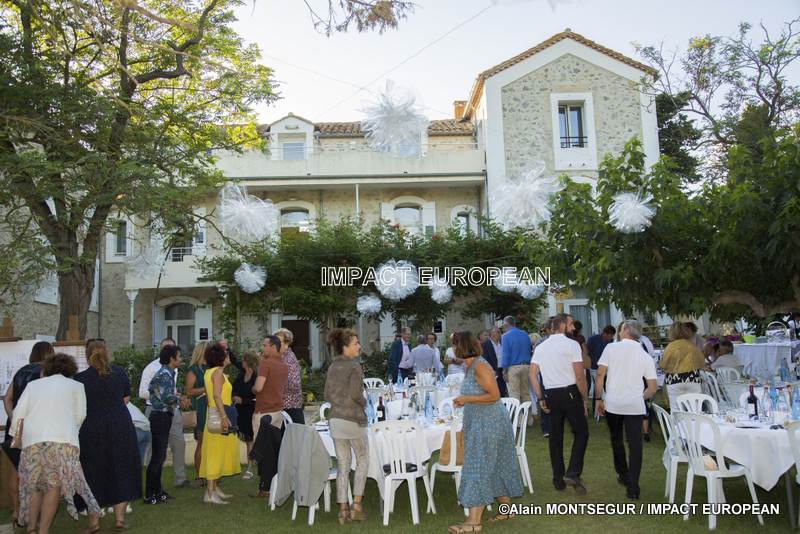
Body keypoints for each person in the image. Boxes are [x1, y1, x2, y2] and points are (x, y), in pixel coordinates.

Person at [12, 353, 102, 534]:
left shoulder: (33, 385)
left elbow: (19, 413)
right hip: (62, 441)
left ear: (47, 369)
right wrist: (72, 432)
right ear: (70, 370)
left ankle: (31, 528)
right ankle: (43, 530)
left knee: (34, 485)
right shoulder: (76, 386)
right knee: (53, 486)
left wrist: (16, 437)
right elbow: (80, 416)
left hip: (33, 440)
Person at [450, 330, 522, 532]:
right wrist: (466, 421)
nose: (452, 349)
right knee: (498, 465)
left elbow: (494, 395)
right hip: (481, 421)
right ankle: (506, 510)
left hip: (490, 423)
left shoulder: (480, 366)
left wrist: (467, 399)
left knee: (477, 467)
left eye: (454, 345)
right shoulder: (469, 365)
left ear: (461, 346)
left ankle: (473, 522)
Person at [74, 339, 141, 531]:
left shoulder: (80, 379)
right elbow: (126, 398)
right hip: (119, 425)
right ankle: (119, 519)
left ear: (87, 355)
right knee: (121, 468)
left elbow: (78, 407)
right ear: (107, 352)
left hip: (92, 428)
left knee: (93, 472)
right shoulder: (119, 372)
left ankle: (94, 523)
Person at [594, 319, 657, 500]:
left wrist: (598, 398)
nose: (619, 332)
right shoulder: (645, 355)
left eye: (621, 330)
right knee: (636, 446)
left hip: (613, 403)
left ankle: (623, 473)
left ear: (627, 331)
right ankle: (633, 487)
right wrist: (639, 397)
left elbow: (600, 374)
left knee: (616, 439)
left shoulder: (612, 348)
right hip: (635, 405)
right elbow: (652, 388)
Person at [530, 313, 590, 494]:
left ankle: (558, 480)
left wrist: (541, 398)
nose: (574, 327)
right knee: (581, 432)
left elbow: (533, 374)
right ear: (562, 326)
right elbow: (580, 376)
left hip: (551, 394)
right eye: (571, 324)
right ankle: (573, 472)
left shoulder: (541, 346)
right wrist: (586, 399)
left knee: (555, 437)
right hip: (570, 392)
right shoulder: (572, 344)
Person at [2, 341, 51, 526]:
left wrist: (13, 417)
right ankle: (33, 517)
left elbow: (7, 398)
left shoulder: (21, 371)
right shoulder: (46, 373)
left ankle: (16, 511)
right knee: (35, 473)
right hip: (35, 427)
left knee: (16, 469)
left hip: (15, 427)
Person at [324, 328, 369, 524]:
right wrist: (364, 402)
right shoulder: (354, 366)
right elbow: (355, 395)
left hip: (335, 420)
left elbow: (326, 395)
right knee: (363, 460)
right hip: (352, 419)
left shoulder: (332, 367)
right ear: (345, 347)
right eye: (355, 343)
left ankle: (342, 511)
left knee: (343, 465)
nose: (359, 346)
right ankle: (356, 506)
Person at [138, 338, 194, 489]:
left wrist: (175, 397)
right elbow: (143, 392)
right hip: (157, 410)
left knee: (178, 443)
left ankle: (180, 479)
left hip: (170, 411)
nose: (180, 358)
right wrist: (172, 399)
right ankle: (153, 484)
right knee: (155, 448)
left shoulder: (171, 370)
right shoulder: (154, 369)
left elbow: (167, 392)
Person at [199, 343, 241, 504]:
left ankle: (215, 489)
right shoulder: (217, 373)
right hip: (220, 416)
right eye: (226, 354)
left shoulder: (210, 372)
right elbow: (216, 396)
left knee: (217, 451)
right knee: (215, 454)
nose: (229, 357)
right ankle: (210, 493)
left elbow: (211, 396)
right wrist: (223, 416)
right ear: (221, 358)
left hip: (214, 414)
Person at [659, 321, 705, 413]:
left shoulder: (671, 347)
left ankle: (677, 426)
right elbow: (701, 362)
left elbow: (663, 365)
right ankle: (695, 426)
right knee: (695, 409)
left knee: (676, 409)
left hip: (674, 379)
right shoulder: (692, 346)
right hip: (693, 378)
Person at [251, 335, 288, 439]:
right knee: (273, 447)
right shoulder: (284, 365)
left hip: (264, 411)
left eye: (264, 345)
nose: (261, 348)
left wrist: (252, 389)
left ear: (273, 347)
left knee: (260, 449)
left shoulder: (266, 364)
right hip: (278, 411)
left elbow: (258, 388)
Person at [186, 340, 210, 487]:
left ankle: (211, 474)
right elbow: (189, 391)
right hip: (201, 406)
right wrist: (207, 389)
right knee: (201, 442)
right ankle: (199, 475)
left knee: (212, 442)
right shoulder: (194, 369)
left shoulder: (212, 367)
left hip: (212, 406)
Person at [232, 349, 259, 480]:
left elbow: (257, 399)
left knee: (250, 441)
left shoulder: (256, 377)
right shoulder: (242, 374)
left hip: (251, 412)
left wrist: (243, 401)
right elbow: (234, 361)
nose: (241, 362)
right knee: (246, 440)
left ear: (248, 362)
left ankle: (249, 468)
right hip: (240, 412)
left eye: (243, 360)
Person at [502, 316, 533, 426]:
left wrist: (504, 371)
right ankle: (529, 419)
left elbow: (505, 355)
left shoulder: (506, 336)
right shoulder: (525, 334)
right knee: (526, 393)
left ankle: (519, 421)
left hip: (514, 367)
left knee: (514, 395)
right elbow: (529, 349)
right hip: (526, 365)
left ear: (505, 325)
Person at [275, 328, 305, 424]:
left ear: (287, 343)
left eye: (278, 341)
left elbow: (293, 383)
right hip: (281, 407)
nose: (275, 344)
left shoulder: (289, 359)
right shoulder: (278, 358)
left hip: (290, 407)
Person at [483, 326, 507, 397]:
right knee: (498, 391)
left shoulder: (503, 343)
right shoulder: (485, 345)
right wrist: (491, 370)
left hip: (504, 370)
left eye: (500, 332)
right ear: (492, 334)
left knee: (504, 389)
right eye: (498, 332)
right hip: (494, 371)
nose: (500, 333)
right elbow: (485, 359)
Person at [127, 402, 151, 467]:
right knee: (137, 466)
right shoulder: (128, 402)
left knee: (125, 464)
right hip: (146, 429)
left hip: (134, 428)